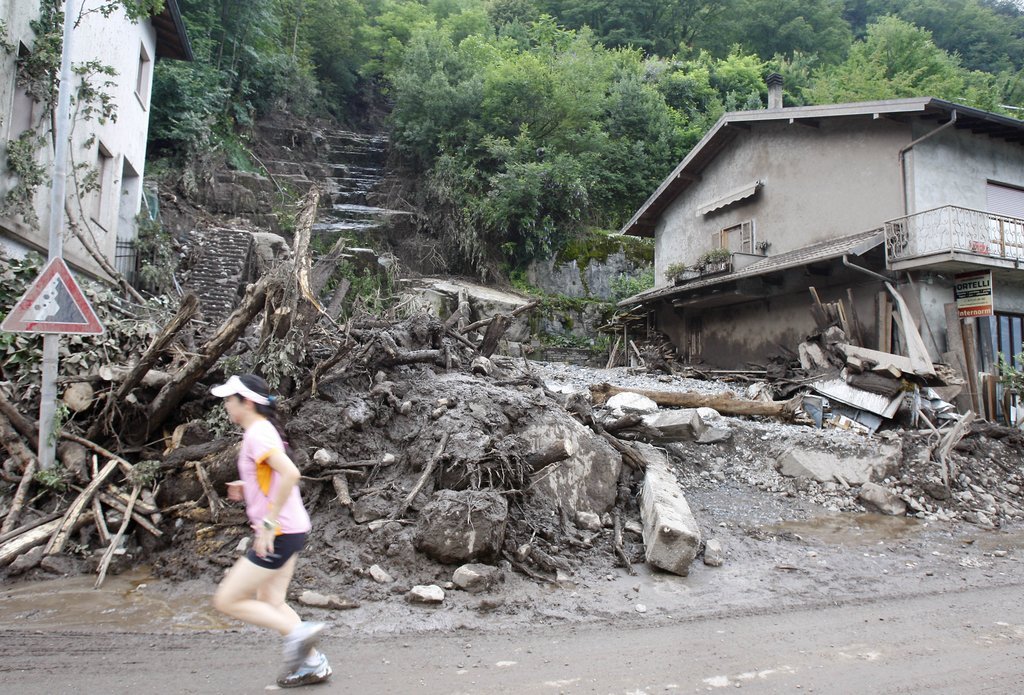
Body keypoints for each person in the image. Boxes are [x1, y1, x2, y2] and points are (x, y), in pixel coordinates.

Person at [210, 374, 332, 688]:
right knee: (271, 599)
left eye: (229, 399)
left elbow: (290, 473)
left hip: (279, 531)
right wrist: (248, 485)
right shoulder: (261, 431)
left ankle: (299, 633)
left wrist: (268, 523)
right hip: (290, 529)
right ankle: (313, 663)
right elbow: (272, 475)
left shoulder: (258, 434)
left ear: (247, 403)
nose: (226, 405)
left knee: (227, 600)